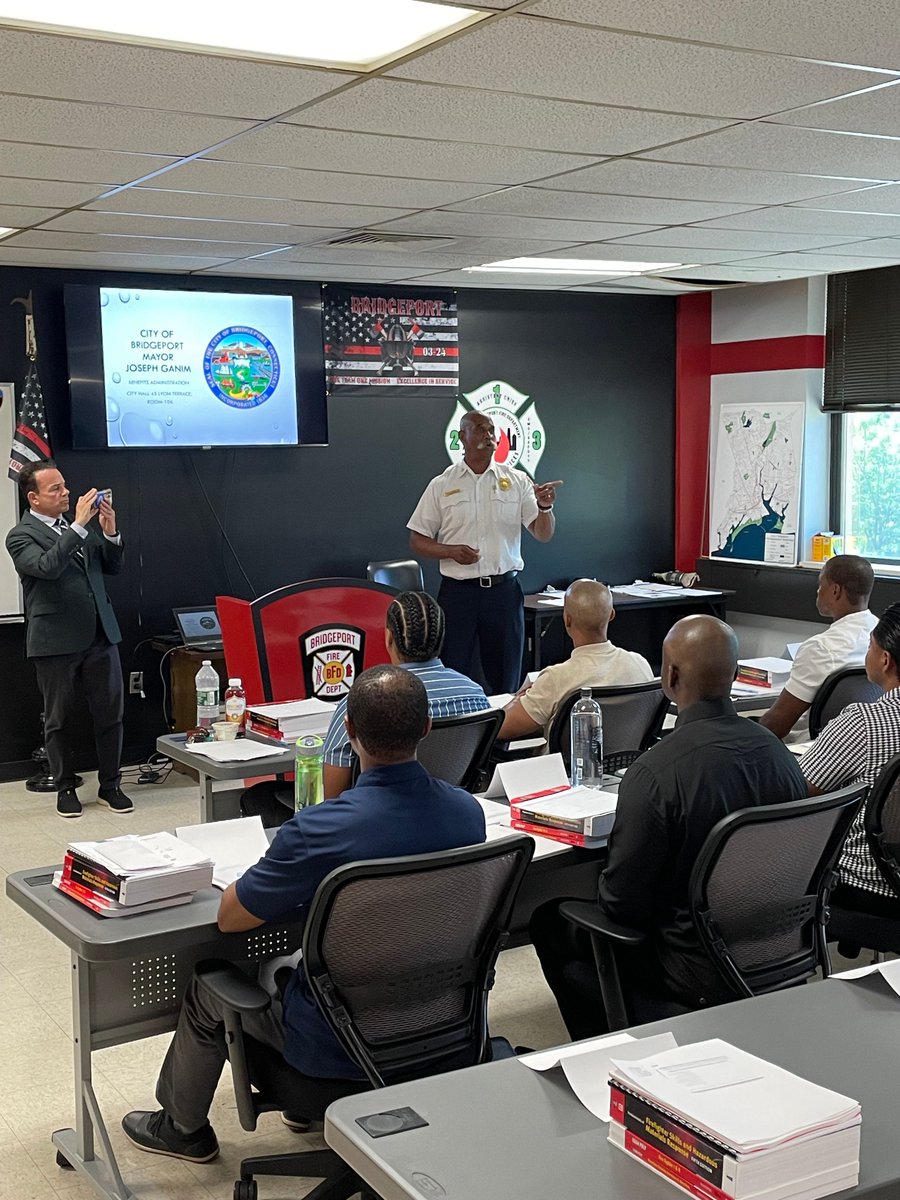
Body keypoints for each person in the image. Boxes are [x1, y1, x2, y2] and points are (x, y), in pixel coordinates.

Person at [122, 665, 486, 1163]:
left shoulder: (319, 829)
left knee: (211, 984)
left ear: (350, 731)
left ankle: (181, 1129)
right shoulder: (467, 813)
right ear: (426, 729)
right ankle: (307, 1113)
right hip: (444, 1025)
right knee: (284, 965)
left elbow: (231, 918)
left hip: (337, 1045)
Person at [530, 615, 807, 1040]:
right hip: (775, 946)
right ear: (734, 675)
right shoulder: (780, 755)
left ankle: (608, 1057)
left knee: (552, 920)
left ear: (670, 676)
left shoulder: (656, 774)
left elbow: (622, 906)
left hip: (692, 969)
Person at [5, 461, 131, 818]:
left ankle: (111, 785)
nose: (65, 493)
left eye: (64, 486)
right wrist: (77, 526)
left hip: (100, 634)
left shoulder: (80, 529)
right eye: (55, 489)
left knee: (111, 714)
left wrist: (109, 534)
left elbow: (111, 568)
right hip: (55, 639)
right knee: (58, 719)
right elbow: (47, 567)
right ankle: (64, 787)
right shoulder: (20, 535)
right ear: (34, 497)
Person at [407, 410, 561, 694]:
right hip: (458, 595)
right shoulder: (442, 484)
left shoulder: (517, 481)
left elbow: (543, 533)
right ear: (461, 437)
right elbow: (417, 540)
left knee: (506, 676)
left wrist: (545, 507)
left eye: (491, 430)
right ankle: (458, 735)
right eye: (479, 429)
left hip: (503, 594)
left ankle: (503, 738)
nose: (488, 436)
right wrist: (450, 551)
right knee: (452, 673)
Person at [321, 590, 489, 799]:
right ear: (442, 637)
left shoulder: (360, 700)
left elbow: (331, 797)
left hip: (372, 823)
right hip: (449, 818)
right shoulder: (477, 697)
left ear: (389, 638)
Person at [799, 603, 900, 920]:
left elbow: (800, 790)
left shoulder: (864, 724)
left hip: (868, 884)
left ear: (884, 660)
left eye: (870, 645)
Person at [498, 579, 653, 741]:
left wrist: (518, 698)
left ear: (567, 619)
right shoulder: (639, 664)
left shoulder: (556, 678)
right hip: (630, 763)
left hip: (567, 766)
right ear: (611, 615)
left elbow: (501, 728)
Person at [760, 555, 876, 741]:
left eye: (821, 585)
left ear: (835, 591)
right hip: (862, 744)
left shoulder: (821, 648)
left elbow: (776, 726)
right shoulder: (883, 638)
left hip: (810, 748)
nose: (818, 591)